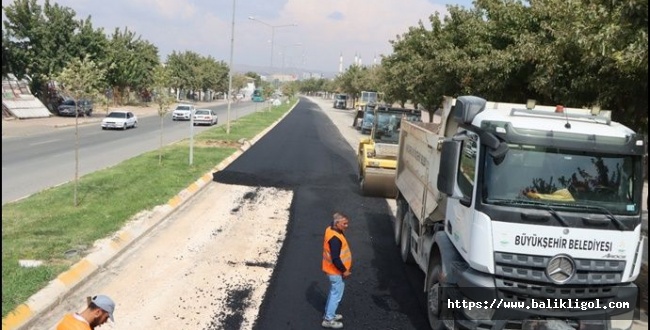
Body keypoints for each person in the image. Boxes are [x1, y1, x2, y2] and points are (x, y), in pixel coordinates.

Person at [321, 212, 352, 329]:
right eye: (344, 223)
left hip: (331, 270)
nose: (346, 226)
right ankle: (329, 319)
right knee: (336, 295)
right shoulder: (335, 239)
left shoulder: (330, 229)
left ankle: (330, 314)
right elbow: (335, 258)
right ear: (337, 223)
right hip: (335, 271)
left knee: (333, 292)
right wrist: (344, 271)